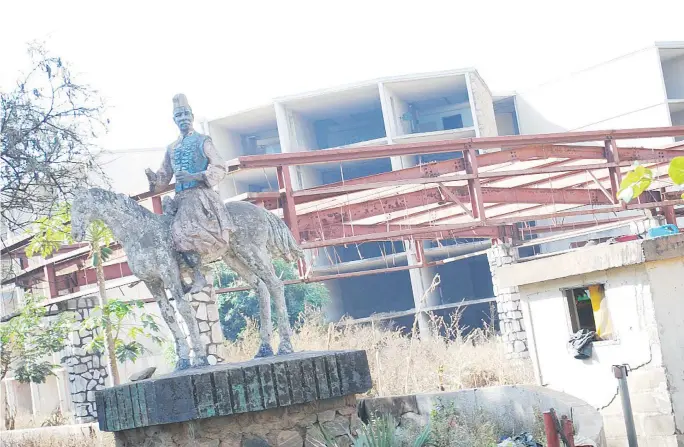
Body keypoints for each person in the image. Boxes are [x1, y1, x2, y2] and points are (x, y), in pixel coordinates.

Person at [146, 94, 235, 293]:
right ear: (174, 119)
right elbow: (163, 178)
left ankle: (198, 276)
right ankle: (180, 276)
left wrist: (195, 175)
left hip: (200, 196)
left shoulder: (203, 141)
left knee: (180, 231)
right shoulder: (171, 148)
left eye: (186, 113)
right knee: (164, 234)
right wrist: (154, 180)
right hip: (179, 198)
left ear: (192, 116)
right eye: (179, 115)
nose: (183, 117)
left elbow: (220, 167)